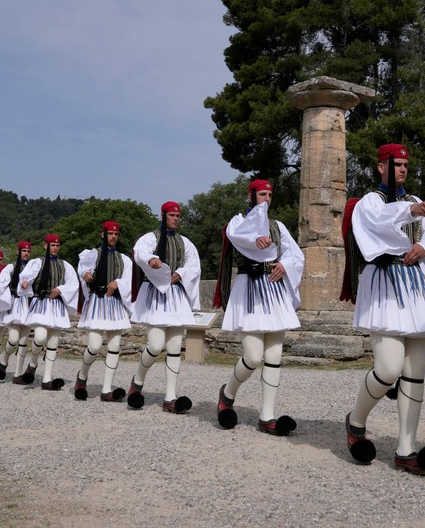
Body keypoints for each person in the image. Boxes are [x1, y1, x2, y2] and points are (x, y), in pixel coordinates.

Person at [341, 143, 425, 475]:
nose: (402, 169)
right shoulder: (369, 202)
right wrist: (410, 211)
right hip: (385, 284)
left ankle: (406, 448)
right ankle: (356, 420)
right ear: (380, 167)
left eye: (405, 165)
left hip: (415, 287)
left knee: (415, 371)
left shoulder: (417, 202)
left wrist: (423, 246)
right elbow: (378, 221)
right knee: (388, 369)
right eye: (396, 164)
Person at [214, 179, 303, 435]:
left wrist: (285, 265)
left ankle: (267, 417)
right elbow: (237, 236)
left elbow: (295, 253)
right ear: (251, 196)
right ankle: (227, 393)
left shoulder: (278, 226)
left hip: (274, 290)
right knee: (253, 357)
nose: (267, 199)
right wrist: (257, 239)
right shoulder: (238, 221)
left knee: (274, 357)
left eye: (269, 195)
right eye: (262, 194)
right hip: (249, 290)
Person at [128, 201, 201, 414]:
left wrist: (182, 273)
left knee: (175, 347)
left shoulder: (184, 242)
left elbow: (194, 265)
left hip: (176, 296)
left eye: (178, 216)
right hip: (156, 295)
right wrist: (151, 259)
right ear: (163, 215)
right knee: (155, 345)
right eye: (171, 215)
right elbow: (139, 252)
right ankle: (137, 381)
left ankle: (170, 397)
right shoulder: (150, 238)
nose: (175, 219)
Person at [74, 221, 133, 402]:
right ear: (103, 234)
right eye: (110, 233)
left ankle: (106, 390)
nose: (113, 236)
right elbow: (83, 267)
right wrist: (85, 274)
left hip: (115, 304)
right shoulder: (93, 254)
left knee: (114, 347)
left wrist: (118, 283)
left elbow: (130, 280)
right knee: (94, 346)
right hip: (97, 301)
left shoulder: (124, 260)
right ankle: (82, 376)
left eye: (116, 234)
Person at [17, 234, 79, 390]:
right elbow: (27, 275)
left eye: (57, 245)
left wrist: (61, 289)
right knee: (39, 337)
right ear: (46, 246)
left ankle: (46, 379)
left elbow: (73, 284)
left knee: (53, 342)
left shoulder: (65, 265)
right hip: (41, 302)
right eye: (52, 245)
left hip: (56, 306)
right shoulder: (38, 262)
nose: (55, 248)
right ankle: (33, 364)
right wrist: (25, 282)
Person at [0, 241, 32, 381]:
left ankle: (18, 374)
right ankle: (4, 362)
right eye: (24, 251)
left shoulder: (33, 267)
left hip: (27, 305)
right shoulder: (11, 267)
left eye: (28, 251)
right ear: (18, 252)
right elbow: (1, 281)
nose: (26, 253)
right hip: (14, 304)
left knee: (24, 341)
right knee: (13, 339)